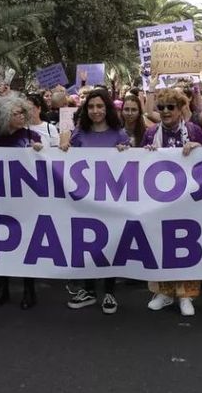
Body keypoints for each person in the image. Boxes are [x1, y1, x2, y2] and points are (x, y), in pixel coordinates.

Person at [60, 89, 130, 314]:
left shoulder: (119, 135)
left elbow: (130, 167)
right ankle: (89, 290)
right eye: (91, 107)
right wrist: (63, 149)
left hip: (111, 201)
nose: (95, 111)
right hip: (85, 201)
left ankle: (109, 291)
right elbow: (68, 163)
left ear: (107, 108)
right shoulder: (79, 134)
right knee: (87, 245)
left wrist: (125, 152)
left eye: (100, 106)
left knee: (110, 244)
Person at [142, 88, 202, 317]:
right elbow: (139, 164)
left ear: (181, 109)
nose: (166, 111)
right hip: (159, 202)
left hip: (189, 201)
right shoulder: (151, 133)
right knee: (161, 245)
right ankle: (164, 292)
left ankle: (186, 295)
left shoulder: (194, 131)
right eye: (161, 107)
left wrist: (199, 149)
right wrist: (146, 153)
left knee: (186, 245)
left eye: (171, 107)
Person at [0, 95, 44, 310]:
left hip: (26, 199)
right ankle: (2, 288)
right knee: (2, 244)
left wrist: (41, 152)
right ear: (4, 116)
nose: (21, 116)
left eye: (23, 112)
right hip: (0, 199)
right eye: (16, 113)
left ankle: (28, 290)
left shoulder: (32, 136)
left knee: (27, 244)